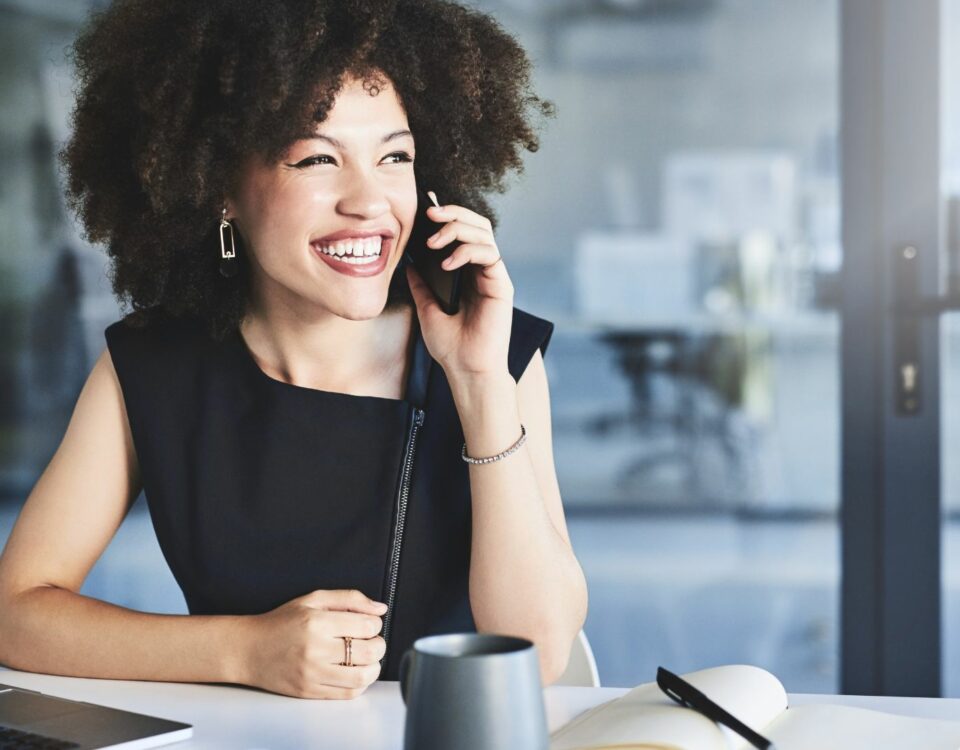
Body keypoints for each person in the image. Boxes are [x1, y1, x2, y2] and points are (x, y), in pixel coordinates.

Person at [0, 0, 588, 700]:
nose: (369, 202)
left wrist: (480, 382)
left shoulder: (494, 351)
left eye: (394, 156)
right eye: (316, 158)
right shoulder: (152, 367)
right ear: (219, 184)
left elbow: (540, 654)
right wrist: (244, 650)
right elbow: (16, 612)